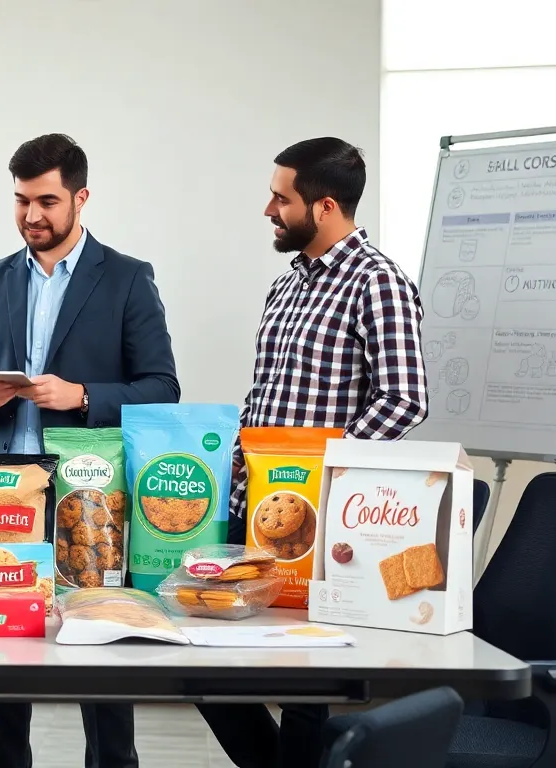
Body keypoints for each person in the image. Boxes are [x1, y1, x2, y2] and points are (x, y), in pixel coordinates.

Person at [0, 134, 180, 768]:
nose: (32, 216)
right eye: (21, 201)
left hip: (90, 495)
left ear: (81, 197)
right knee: (2, 655)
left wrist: (79, 396)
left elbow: (161, 388)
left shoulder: (128, 279)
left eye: (46, 201)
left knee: (100, 665)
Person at [197, 137, 428, 768]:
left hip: (319, 518)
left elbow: (405, 399)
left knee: (305, 681)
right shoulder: (288, 285)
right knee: (202, 658)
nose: (269, 208)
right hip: (252, 506)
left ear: (324, 206)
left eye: (281, 197)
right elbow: (267, 393)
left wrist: (329, 475)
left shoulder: (378, 283)